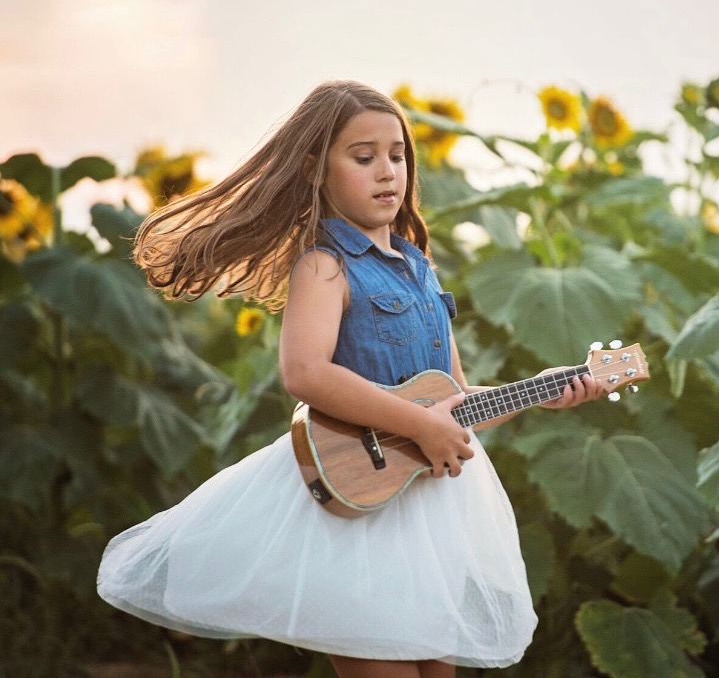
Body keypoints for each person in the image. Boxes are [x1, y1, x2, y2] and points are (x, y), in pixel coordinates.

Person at [97, 80, 606, 678]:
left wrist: (541, 391)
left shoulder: (420, 270)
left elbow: (454, 404)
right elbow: (305, 372)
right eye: (363, 158)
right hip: (354, 501)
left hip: (429, 510)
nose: (387, 171)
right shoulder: (324, 265)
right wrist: (419, 422)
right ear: (317, 169)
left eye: (397, 156)